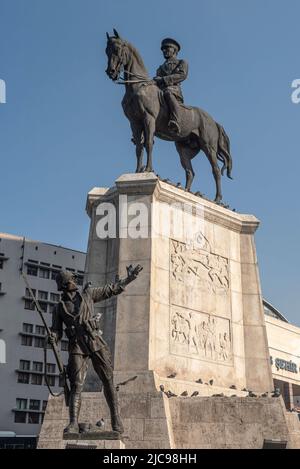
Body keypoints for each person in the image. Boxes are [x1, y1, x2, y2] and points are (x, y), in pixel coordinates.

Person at [48, 265, 142, 434]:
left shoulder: (88, 295)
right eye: (71, 279)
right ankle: (73, 423)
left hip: (94, 341)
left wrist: (129, 279)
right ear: (64, 285)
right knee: (76, 385)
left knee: (108, 380)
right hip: (76, 345)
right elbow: (57, 330)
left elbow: (110, 290)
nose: (75, 281)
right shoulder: (59, 308)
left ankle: (116, 419)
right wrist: (53, 337)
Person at [153, 38, 188, 135]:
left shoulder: (181, 62)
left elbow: (182, 75)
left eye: (167, 48)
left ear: (174, 50)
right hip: (160, 92)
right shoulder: (160, 68)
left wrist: (164, 79)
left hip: (173, 90)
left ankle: (175, 120)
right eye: (163, 49)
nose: (164, 50)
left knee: (167, 92)